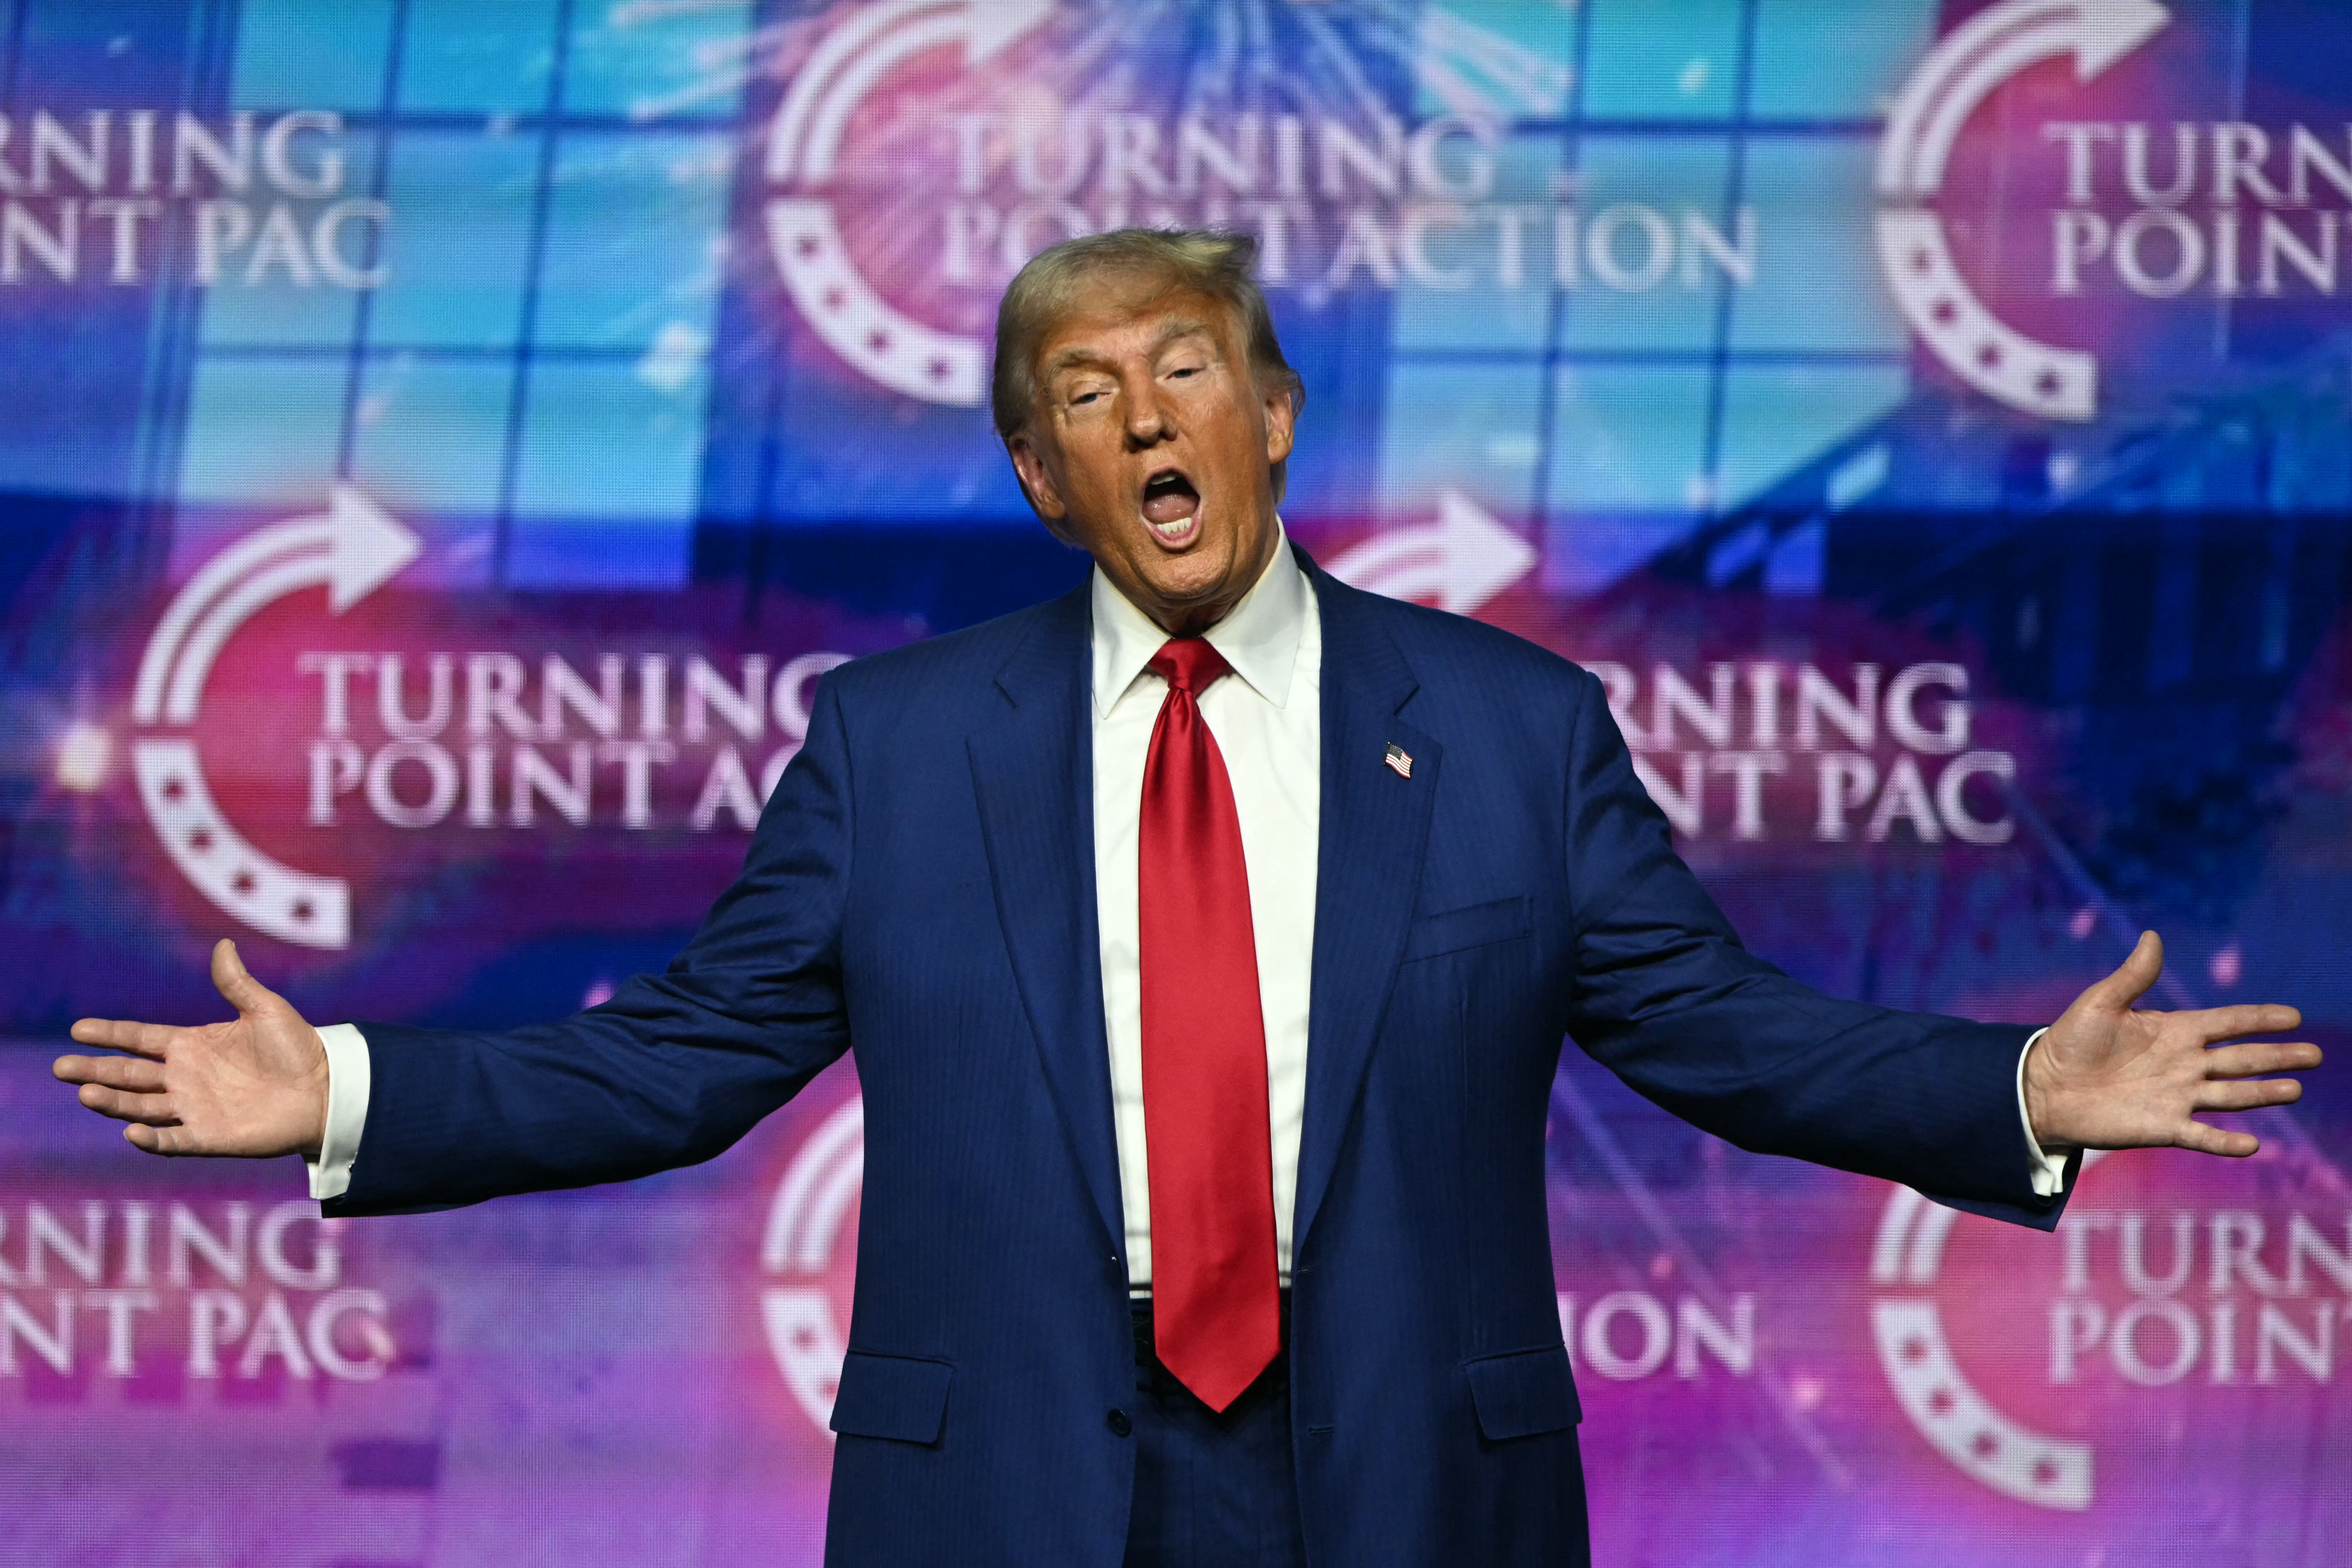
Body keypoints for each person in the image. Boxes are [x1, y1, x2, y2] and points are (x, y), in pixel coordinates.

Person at [56, 229, 2320, 1568]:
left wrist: (2013, 1080)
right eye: (1083, 394)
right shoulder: (896, 742)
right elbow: (683, 1059)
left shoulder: (1512, 730)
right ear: (1045, 479)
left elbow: (1718, 1030)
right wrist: (346, 1095)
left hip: (1405, 1484)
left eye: (1183, 371)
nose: (1144, 417)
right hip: (1012, 1481)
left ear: (1268, 410)